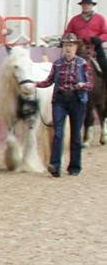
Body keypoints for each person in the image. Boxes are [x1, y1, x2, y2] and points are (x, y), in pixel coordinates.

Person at [35, 32, 93, 177]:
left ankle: (74, 166)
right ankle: (55, 166)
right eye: (66, 45)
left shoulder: (83, 64)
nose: (68, 48)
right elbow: (49, 81)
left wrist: (82, 85)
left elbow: (90, 84)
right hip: (60, 100)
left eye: (71, 46)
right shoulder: (58, 63)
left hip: (77, 100)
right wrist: (35, 84)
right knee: (58, 133)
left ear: (76, 47)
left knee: (75, 135)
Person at [63, 0, 107, 78]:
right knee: (63, 64)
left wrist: (99, 39)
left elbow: (105, 33)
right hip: (78, 46)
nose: (86, 6)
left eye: (88, 4)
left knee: (104, 64)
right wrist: (65, 40)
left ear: (92, 5)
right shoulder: (75, 20)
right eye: (84, 4)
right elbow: (68, 33)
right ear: (81, 6)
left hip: (95, 46)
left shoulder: (100, 18)